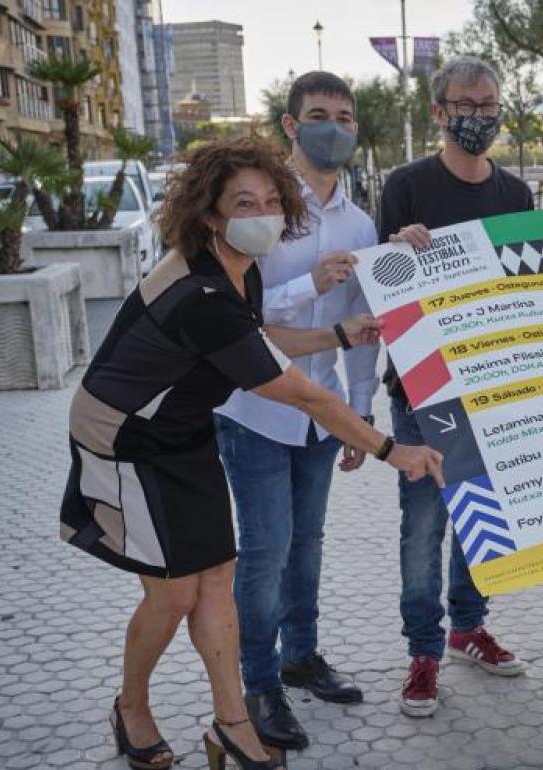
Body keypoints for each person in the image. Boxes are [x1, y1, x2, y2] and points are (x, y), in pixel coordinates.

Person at [60, 137, 444, 770]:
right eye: (244, 202)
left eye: (271, 199)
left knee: (217, 578)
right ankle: (131, 708)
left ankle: (232, 724)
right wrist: (387, 448)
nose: (263, 213)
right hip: (125, 438)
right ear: (209, 213)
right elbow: (299, 393)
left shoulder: (241, 268)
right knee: (173, 592)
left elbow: (260, 337)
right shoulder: (201, 294)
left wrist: (339, 334)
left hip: (183, 432)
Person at [213, 72, 376, 750]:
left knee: (306, 544)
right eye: (318, 115)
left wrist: (359, 413)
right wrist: (314, 281)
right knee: (266, 549)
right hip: (255, 409)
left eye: (343, 116)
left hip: (321, 408)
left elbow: (367, 322)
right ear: (290, 124)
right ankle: (259, 685)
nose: (331, 127)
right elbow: (242, 314)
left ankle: (301, 656)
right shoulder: (263, 208)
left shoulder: (363, 221)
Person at [376, 55, 533, 719]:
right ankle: (423, 651)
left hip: (493, 386)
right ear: (438, 113)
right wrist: (398, 252)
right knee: (424, 526)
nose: (478, 116)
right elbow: (380, 280)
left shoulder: (518, 195)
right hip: (421, 390)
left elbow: (528, 294)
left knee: (482, 521)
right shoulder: (405, 185)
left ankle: (468, 626)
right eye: (464, 106)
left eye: (487, 103)